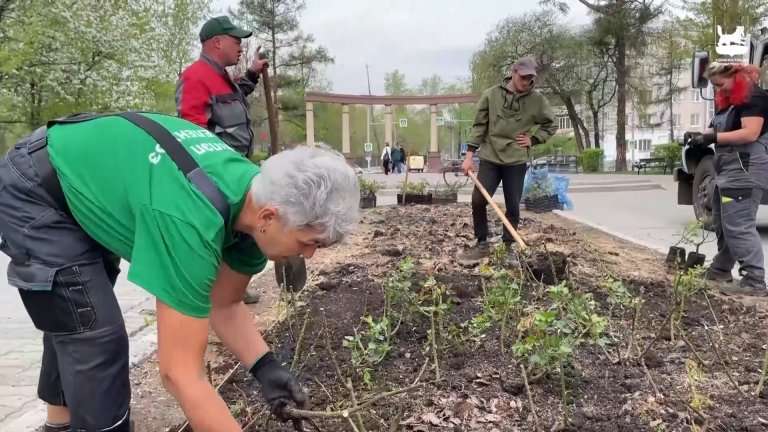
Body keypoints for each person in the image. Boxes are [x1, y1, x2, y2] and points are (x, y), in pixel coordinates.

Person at [0, 112, 359, 431]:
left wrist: (265, 368)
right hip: (36, 186)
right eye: (310, 242)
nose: (309, 254)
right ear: (270, 217)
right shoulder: (191, 221)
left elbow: (224, 304)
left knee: (78, 314)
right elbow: (179, 373)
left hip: (87, 176)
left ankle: (58, 426)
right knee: (94, 332)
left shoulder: (257, 203)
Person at [177, 16, 304, 303]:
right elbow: (190, 134)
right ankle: (215, 294)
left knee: (242, 232)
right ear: (216, 42)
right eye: (236, 41)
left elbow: (236, 95)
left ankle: (234, 286)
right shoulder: (195, 77)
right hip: (217, 179)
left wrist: (253, 73)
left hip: (237, 172)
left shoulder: (223, 78)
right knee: (223, 235)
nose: (240, 47)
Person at [458, 57, 557, 261]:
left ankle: (508, 246)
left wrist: (534, 139)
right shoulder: (491, 95)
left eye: (530, 78)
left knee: (512, 205)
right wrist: (469, 156)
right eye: (523, 77)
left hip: (516, 159)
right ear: (513, 73)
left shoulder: (537, 100)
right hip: (491, 157)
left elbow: (551, 124)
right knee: (478, 200)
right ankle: (482, 243)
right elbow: (479, 127)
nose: (526, 82)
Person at [687, 62, 768, 296]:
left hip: (745, 170)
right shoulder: (731, 102)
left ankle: (754, 279)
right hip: (727, 171)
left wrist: (714, 137)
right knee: (723, 224)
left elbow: (750, 133)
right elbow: (719, 130)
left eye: (720, 84)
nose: (718, 90)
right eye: (714, 86)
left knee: (739, 224)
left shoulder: (754, 98)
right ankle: (720, 269)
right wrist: (700, 136)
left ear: (736, 76)